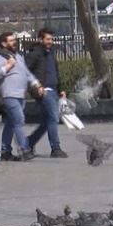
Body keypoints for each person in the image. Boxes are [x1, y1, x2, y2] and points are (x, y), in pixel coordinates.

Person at [0, 31, 42, 161]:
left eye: (15, 40)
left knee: (11, 123)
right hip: (9, 94)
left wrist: (36, 84)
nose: (14, 42)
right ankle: (24, 149)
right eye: (11, 41)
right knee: (19, 120)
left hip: (20, 95)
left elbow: (26, 73)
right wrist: (8, 66)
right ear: (4, 43)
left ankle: (5, 151)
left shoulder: (18, 56)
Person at [26, 28, 68, 158]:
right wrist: (36, 87)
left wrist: (60, 89)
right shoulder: (34, 54)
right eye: (48, 39)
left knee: (47, 121)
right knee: (54, 118)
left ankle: (29, 142)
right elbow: (25, 72)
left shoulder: (50, 53)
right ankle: (55, 148)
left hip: (53, 90)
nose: (50, 41)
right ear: (40, 39)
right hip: (44, 91)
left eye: (51, 39)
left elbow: (55, 72)